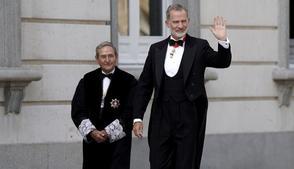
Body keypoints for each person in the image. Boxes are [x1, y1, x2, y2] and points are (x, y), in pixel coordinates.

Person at [132, 3, 231, 169]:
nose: (180, 25)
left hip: (188, 117)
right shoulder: (156, 49)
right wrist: (137, 117)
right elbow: (144, 85)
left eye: (183, 21)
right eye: (176, 22)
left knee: (186, 164)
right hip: (161, 117)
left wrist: (222, 41)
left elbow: (223, 62)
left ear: (188, 21)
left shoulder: (199, 46)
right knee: (157, 163)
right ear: (167, 23)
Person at [71, 41, 137, 169]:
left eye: (110, 56)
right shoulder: (87, 80)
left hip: (118, 143)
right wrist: (92, 131)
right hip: (93, 141)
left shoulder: (129, 81)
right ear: (97, 59)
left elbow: (130, 111)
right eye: (103, 56)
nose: (107, 60)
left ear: (116, 57)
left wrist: (108, 132)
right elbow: (77, 109)